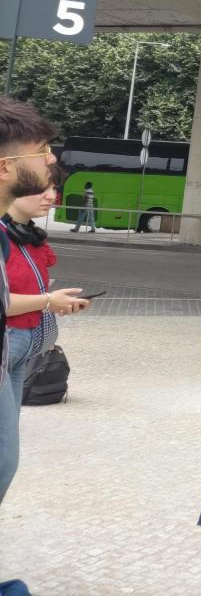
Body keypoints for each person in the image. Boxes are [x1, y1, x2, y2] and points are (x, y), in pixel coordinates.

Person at [0, 97, 63, 508]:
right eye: (41, 151)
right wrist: (47, 301)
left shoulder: (17, 238)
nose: (51, 159)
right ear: (5, 167)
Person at [1, 178, 91, 418]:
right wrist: (48, 301)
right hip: (9, 339)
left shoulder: (28, 238)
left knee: (9, 429)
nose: (51, 196)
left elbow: (30, 294)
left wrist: (57, 303)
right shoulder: (5, 238)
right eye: (41, 189)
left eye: (53, 188)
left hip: (23, 348)